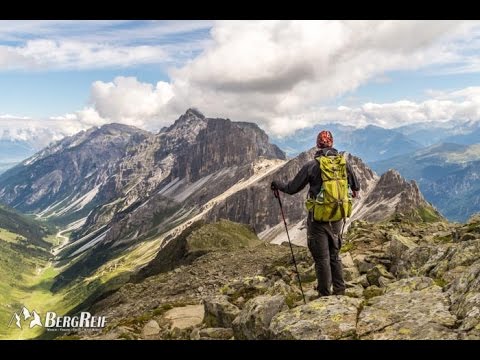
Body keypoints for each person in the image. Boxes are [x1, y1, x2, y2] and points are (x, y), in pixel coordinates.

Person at [271, 130, 360, 297]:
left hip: (317, 219)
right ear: (332, 143)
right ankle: (340, 292)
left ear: (318, 145)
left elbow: (291, 189)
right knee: (334, 255)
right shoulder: (343, 164)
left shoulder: (312, 166)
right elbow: (356, 189)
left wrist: (277, 184)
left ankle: (325, 295)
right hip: (337, 217)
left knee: (322, 259)